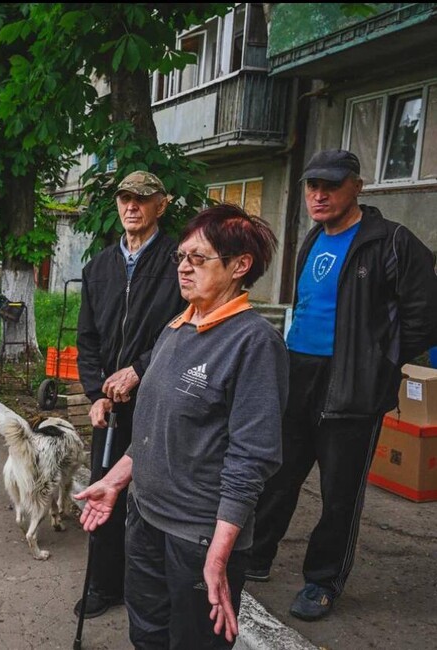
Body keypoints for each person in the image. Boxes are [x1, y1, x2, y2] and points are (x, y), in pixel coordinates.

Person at [75, 204, 289, 649]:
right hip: (145, 518)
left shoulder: (253, 343)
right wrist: (115, 481)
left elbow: (252, 458)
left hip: (197, 535)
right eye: (181, 257)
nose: (184, 267)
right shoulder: (177, 327)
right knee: (146, 635)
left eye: (198, 258)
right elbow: (154, 428)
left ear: (240, 266)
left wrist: (219, 554)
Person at [248, 149, 437, 621]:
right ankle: (257, 555)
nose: (319, 195)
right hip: (299, 374)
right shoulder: (314, 236)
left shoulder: (390, 241)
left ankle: (323, 580)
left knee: (340, 493)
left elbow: (425, 316)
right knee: (278, 474)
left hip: (352, 384)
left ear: (357, 186)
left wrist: (380, 362)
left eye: (330, 186)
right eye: (312, 186)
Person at [74, 170, 185, 618]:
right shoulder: (99, 267)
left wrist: (139, 369)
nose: (132, 206)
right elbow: (87, 339)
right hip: (112, 403)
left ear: (162, 204)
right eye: (125, 198)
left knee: (158, 492)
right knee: (106, 487)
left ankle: (154, 587)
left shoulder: (180, 262)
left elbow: (185, 327)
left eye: (142, 198)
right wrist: (94, 393)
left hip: (162, 395)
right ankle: (104, 584)